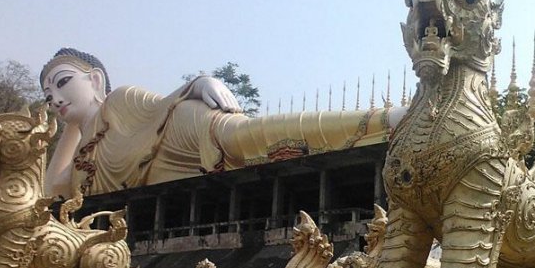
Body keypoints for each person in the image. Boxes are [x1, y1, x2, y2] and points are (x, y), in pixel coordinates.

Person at [40, 48, 402, 199]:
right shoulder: (82, 157)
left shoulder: (120, 100)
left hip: (182, 131)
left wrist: (200, 82)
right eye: (47, 94)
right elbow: (50, 192)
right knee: (265, 155)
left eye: (63, 82)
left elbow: (163, 105)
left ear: (96, 80)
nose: (55, 98)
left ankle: (388, 120)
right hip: (169, 177)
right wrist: (71, 128)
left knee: (244, 137)